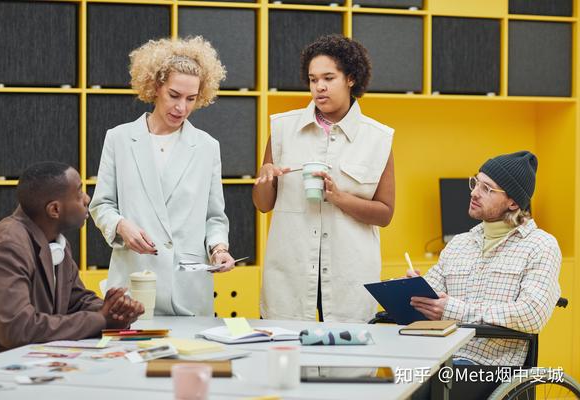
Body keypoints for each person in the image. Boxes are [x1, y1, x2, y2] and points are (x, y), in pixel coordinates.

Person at [253, 34, 396, 323]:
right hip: (290, 274)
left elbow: (384, 214)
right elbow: (263, 205)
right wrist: (264, 178)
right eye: (312, 79)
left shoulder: (378, 138)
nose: (319, 87)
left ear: (351, 78)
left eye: (329, 78)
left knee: (349, 365)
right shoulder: (283, 128)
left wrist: (338, 197)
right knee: (288, 360)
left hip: (349, 277)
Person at [89, 37, 235, 317]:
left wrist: (219, 249)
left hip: (188, 290)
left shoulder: (207, 147)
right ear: (156, 87)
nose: (182, 107)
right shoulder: (119, 139)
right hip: (134, 283)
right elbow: (101, 205)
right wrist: (121, 226)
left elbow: (214, 217)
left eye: (191, 99)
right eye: (174, 95)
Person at [409, 151, 561, 366]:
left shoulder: (541, 246)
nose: (474, 193)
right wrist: (412, 288)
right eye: (476, 183)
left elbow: (531, 314)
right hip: (440, 356)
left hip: (488, 365)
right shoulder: (459, 243)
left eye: (486, 189)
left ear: (514, 203)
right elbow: (433, 296)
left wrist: (455, 311)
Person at [0, 162, 143, 357]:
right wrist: (101, 320)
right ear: (54, 210)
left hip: (34, 360)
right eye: (79, 193)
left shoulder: (57, 243)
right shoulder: (7, 245)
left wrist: (115, 311)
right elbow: (17, 328)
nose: (87, 199)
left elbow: (77, 300)